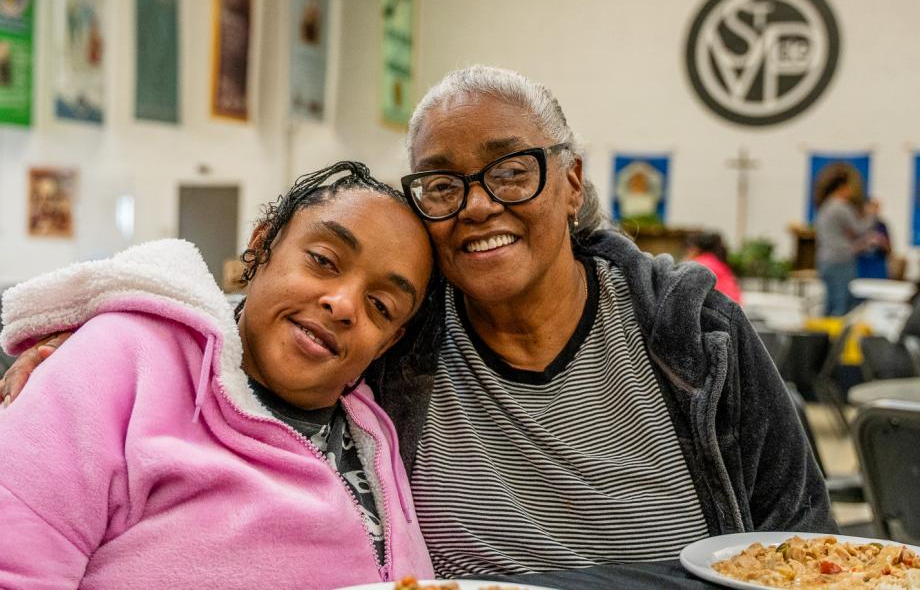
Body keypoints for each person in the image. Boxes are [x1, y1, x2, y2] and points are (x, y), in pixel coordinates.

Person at [2, 67, 835, 579]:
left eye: (511, 170)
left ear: (572, 182)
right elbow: (272, 318)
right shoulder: (408, 334)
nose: (477, 205)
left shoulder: (690, 333)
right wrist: (107, 333)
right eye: (441, 184)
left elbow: (803, 546)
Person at [0, 162, 434, 589]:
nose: (342, 305)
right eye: (322, 260)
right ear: (261, 246)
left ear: (388, 342)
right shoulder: (121, 361)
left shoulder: (374, 430)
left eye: (381, 306)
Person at [814, 174, 879, 315]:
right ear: (842, 187)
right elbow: (860, 228)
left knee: (830, 304)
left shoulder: (825, 207)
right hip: (840, 260)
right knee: (842, 306)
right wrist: (872, 214)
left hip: (824, 259)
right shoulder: (841, 207)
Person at [684, 230, 742, 304]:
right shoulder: (713, 261)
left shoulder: (701, 264)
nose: (687, 252)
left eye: (688, 249)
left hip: (722, 305)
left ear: (696, 249)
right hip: (732, 305)